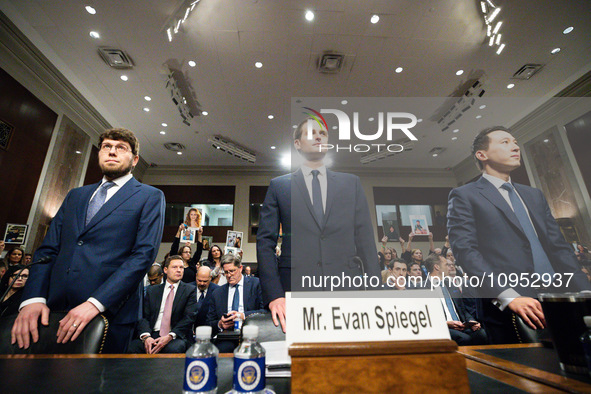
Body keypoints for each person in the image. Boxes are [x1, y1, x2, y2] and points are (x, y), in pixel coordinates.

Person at [12, 128, 165, 352]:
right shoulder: (76, 195)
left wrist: (95, 302)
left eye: (120, 148)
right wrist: (33, 298)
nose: (112, 152)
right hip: (52, 310)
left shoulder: (149, 196)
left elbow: (142, 256)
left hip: (109, 313)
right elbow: (48, 250)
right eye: (106, 147)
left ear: (134, 159)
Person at [447, 126, 591, 344]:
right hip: (511, 304)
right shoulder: (465, 195)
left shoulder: (533, 195)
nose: (515, 147)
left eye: (515, 142)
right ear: (482, 155)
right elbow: (466, 252)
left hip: (560, 296)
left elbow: (558, 247)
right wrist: (509, 295)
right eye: (505, 142)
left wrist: (585, 290)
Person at [256, 118, 379, 332]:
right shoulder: (279, 186)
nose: (319, 136)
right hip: (295, 287)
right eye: (311, 133)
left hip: (346, 285)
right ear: (297, 144)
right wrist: (274, 295)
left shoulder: (351, 183)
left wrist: (375, 289)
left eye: (323, 133)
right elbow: (265, 241)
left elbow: (366, 239)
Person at [128, 256, 196, 354]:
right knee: (132, 347)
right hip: (152, 333)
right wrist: (146, 337)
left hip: (175, 335)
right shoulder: (152, 290)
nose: (179, 270)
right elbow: (143, 316)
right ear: (165, 270)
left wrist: (169, 336)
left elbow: (189, 318)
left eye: (181, 267)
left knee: (175, 348)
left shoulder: (189, 290)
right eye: (174, 267)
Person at [423, 254, 487, 346]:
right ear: (437, 267)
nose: (449, 267)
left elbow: (462, 309)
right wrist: (446, 323)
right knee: (465, 339)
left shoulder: (450, 284)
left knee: (482, 334)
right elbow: (426, 316)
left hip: (461, 325)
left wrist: (471, 320)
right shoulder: (423, 287)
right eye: (446, 265)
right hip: (442, 327)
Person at [206, 254, 264, 352]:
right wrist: (220, 324)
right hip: (227, 336)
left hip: (252, 333)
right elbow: (209, 322)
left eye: (232, 271)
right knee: (222, 349)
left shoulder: (256, 284)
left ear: (240, 268)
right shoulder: (217, 293)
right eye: (226, 272)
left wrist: (243, 315)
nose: (229, 275)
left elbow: (264, 311)